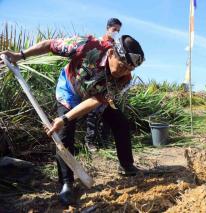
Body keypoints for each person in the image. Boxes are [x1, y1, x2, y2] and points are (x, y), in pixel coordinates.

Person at [0, 34, 144, 205]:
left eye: (129, 69)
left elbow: (96, 101)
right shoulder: (88, 46)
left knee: (120, 123)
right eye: (122, 66)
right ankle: (66, 183)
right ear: (112, 53)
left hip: (94, 97)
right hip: (70, 89)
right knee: (64, 135)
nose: (124, 72)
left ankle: (126, 165)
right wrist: (20, 55)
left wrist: (65, 118)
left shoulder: (124, 78)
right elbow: (49, 45)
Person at [85, 18, 123, 152]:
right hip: (96, 81)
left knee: (107, 111)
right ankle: (90, 142)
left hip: (110, 83)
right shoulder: (99, 43)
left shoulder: (118, 46)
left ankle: (104, 141)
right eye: (114, 30)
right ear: (108, 28)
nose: (116, 33)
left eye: (118, 31)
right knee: (93, 112)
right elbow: (90, 62)